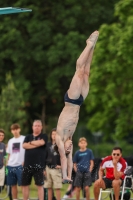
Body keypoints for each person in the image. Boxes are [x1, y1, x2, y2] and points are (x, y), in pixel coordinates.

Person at [55, 30, 99, 183]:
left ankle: (88, 44)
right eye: (69, 150)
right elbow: (68, 157)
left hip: (71, 100)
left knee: (79, 71)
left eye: (66, 148)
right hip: (79, 102)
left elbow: (63, 156)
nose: (68, 148)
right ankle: (93, 47)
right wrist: (70, 176)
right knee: (86, 73)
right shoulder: (71, 139)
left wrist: (64, 176)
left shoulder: (60, 138)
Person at [22, 120, 48, 200]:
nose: (37, 127)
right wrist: (36, 144)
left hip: (39, 165)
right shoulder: (28, 136)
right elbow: (24, 145)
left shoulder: (44, 136)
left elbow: (42, 143)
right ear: (32, 127)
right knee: (25, 185)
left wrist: (30, 143)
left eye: (38, 125)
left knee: (40, 185)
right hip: (27, 165)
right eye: (35, 125)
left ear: (41, 127)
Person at [6, 123, 25, 200]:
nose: (15, 131)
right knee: (13, 185)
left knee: (23, 184)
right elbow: (9, 153)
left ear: (19, 129)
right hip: (11, 165)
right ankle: (15, 199)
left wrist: (25, 161)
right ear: (11, 131)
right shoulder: (10, 141)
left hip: (21, 165)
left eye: (16, 129)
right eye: (13, 130)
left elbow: (28, 151)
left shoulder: (24, 138)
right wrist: (7, 162)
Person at [44, 128, 62, 200]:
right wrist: (44, 169)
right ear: (51, 135)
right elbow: (44, 156)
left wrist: (61, 165)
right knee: (49, 187)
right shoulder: (47, 145)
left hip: (56, 168)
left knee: (57, 187)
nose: (54, 136)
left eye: (56, 134)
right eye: (53, 134)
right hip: (48, 168)